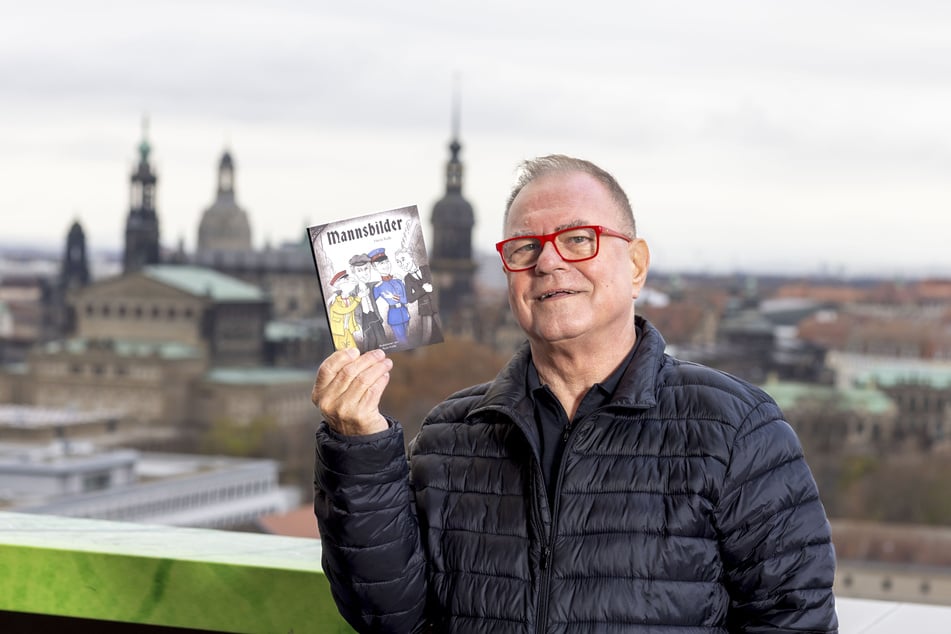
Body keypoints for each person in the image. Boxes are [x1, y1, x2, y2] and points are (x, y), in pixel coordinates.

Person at [313, 155, 838, 633]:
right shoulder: (450, 435)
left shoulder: (738, 430)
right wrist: (359, 448)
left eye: (578, 239)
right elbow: (389, 618)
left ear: (635, 265)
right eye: (524, 248)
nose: (548, 262)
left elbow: (794, 623)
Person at [395, 247, 442, 347]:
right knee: (427, 336)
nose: (402, 264)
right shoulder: (407, 278)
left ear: (411, 256)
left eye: (403, 259)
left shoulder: (426, 269)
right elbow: (410, 298)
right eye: (398, 262)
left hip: (436, 306)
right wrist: (423, 290)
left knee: (442, 331)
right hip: (424, 309)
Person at [369, 247, 410, 345]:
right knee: (403, 342)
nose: (386, 265)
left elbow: (406, 299)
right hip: (394, 316)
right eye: (381, 263)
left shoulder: (398, 281)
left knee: (409, 341)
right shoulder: (378, 286)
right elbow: (370, 301)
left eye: (387, 262)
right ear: (375, 267)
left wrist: (395, 297)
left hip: (405, 313)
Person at [349, 253, 388, 352]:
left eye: (366, 269)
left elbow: (383, 282)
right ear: (354, 272)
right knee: (369, 346)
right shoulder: (353, 292)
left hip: (375, 318)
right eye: (359, 270)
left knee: (383, 343)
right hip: (364, 321)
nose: (364, 273)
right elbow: (342, 293)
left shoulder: (372, 286)